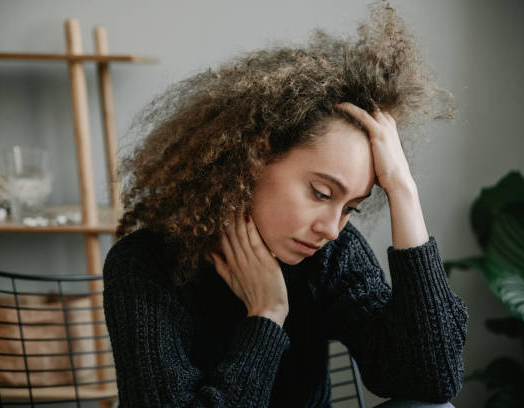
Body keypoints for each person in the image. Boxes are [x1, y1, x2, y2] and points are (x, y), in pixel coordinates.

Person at [102, 1, 468, 407]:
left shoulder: (331, 256)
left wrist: (404, 191)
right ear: (257, 157)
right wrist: (267, 316)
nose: (331, 228)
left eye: (351, 208)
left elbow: (432, 381)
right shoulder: (144, 265)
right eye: (321, 193)